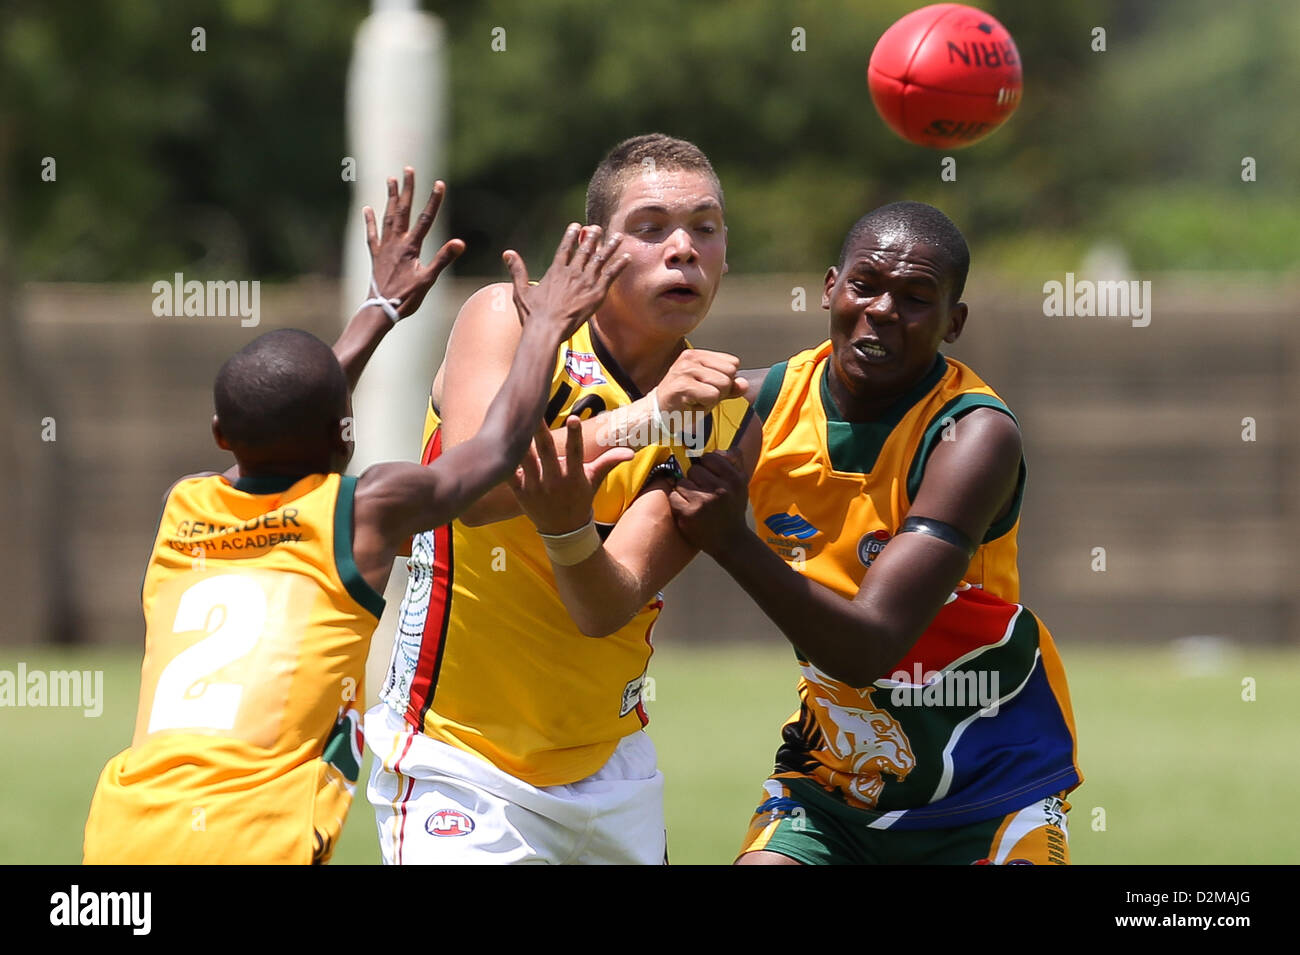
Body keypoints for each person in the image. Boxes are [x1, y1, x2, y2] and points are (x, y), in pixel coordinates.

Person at [82, 170, 629, 864]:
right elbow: (493, 450)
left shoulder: (181, 504)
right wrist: (547, 323)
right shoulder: (361, 513)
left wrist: (377, 307)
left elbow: (282, 408)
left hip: (125, 826)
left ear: (222, 434)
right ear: (346, 437)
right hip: (254, 837)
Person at [368, 134, 756, 865]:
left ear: (725, 254)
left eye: (704, 227)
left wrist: (567, 527)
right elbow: (468, 492)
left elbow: (604, 605)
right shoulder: (510, 322)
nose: (682, 249)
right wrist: (641, 419)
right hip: (458, 759)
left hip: (614, 767)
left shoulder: (722, 416)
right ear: (591, 247)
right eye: (649, 227)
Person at [667, 201, 1082, 865]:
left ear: (954, 323)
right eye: (866, 284)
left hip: (990, 782)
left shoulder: (973, 435)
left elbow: (869, 646)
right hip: (837, 780)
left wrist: (731, 540)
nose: (884, 309)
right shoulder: (757, 407)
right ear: (832, 287)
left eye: (917, 297)